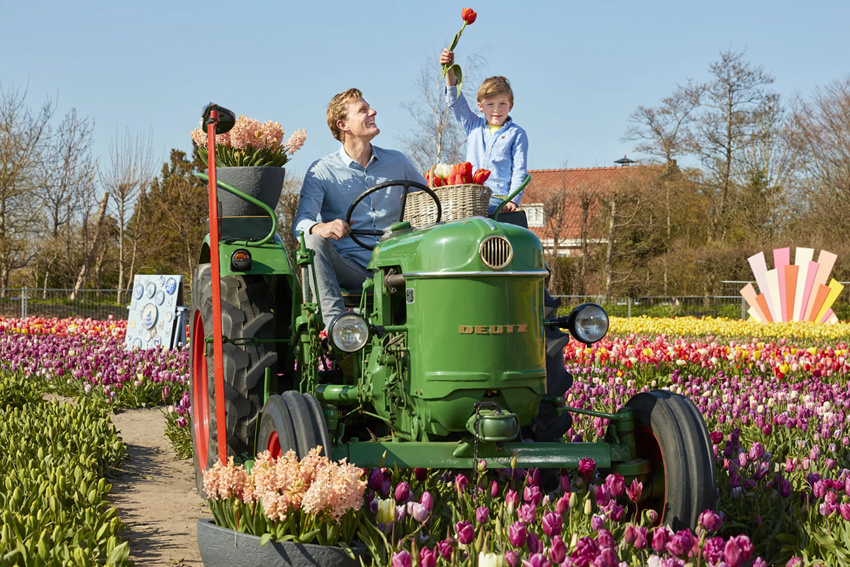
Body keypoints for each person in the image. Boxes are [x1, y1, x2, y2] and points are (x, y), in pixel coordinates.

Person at [293, 88, 426, 327]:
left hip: (399, 267)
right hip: (353, 268)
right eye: (362, 110)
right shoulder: (322, 171)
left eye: (370, 107)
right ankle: (336, 327)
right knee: (312, 241)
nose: (372, 112)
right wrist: (321, 227)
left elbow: (429, 201)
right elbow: (301, 223)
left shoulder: (398, 162)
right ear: (343, 125)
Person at [441, 49, 529, 213]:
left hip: (498, 199)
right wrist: (449, 68)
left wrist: (513, 201)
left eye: (502, 103)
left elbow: (519, 170)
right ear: (480, 106)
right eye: (490, 104)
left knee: (473, 212)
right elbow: (454, 100)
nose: (497, 110)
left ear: (510, 106)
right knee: (443, 211)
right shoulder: (473, 125)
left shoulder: (517, 134)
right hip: (470, 197)